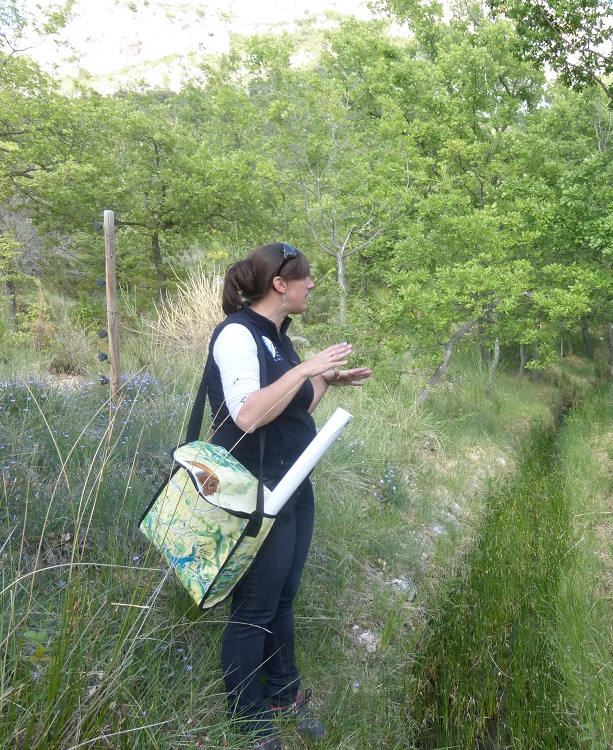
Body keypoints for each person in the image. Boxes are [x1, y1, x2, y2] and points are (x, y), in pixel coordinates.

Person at [207, 242, 373, 750]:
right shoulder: (238, 333)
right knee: (254, 606)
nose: (312, 284)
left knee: (283, 597)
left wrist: (322, 380)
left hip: (294, 481)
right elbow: (249, 415)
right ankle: (247, 716)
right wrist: (304, 370)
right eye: (305, 278)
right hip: (256, 487)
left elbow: (290, 410)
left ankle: (283, 694)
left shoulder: (280, 336)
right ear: (280, 284)